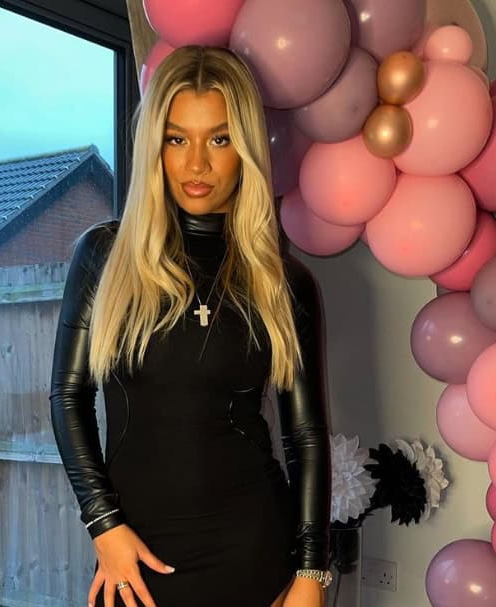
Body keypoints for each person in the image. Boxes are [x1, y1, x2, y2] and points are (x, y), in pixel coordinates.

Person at [50, 45, 331, 607]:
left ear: (245, 150)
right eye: (177, 139)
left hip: (255, 554)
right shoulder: (104, 256)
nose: (196, 164)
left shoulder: (284, 282)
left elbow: (304, 437)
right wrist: (103, 525)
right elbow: (69, 396)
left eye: (219, 140)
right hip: (134, 562)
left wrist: (311, 572)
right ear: (154, 147)